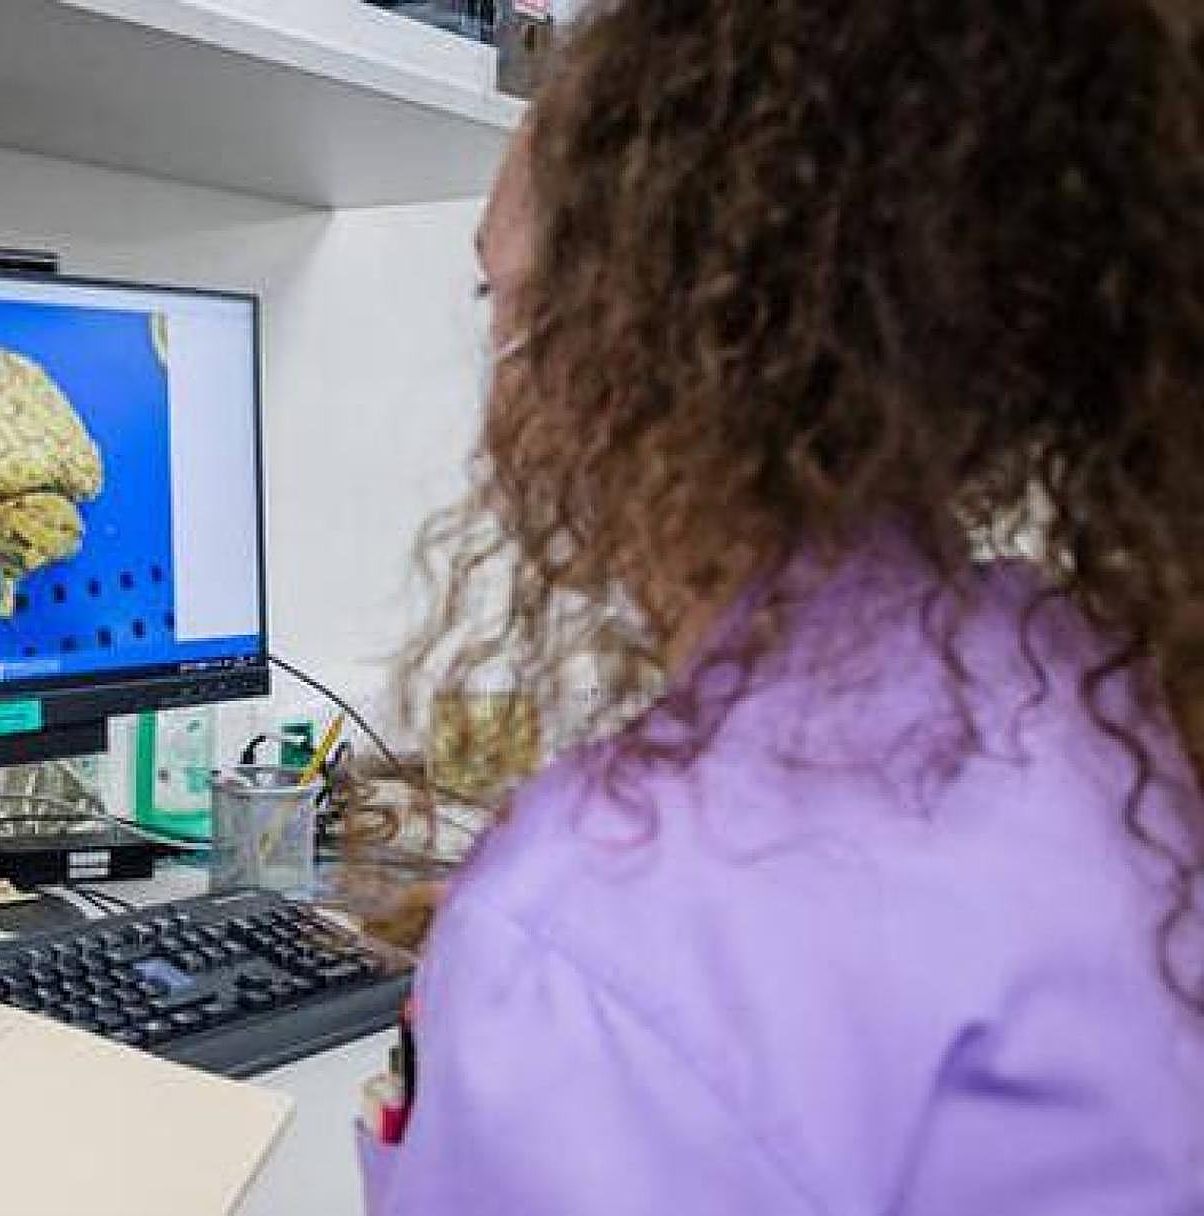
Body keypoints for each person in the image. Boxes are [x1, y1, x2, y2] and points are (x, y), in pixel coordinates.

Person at [366, 3, 1204, 1212]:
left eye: (494, 293)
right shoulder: (1100, 684)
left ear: (615, 353)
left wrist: (548, 978)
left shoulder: (610, 928)